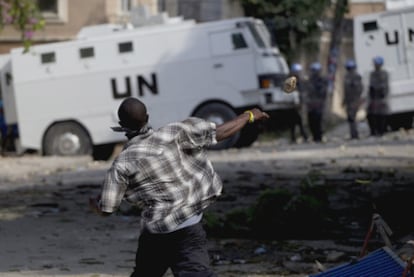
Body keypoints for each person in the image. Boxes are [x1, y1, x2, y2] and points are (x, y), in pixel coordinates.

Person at [89, 97, 269, 277]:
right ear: (147, 117)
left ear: (121, 125)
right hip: (189, 223)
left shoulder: (122, 163)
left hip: (157, 232)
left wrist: (96, 205)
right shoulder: (175, 132)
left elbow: (107, 208)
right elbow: (220, 132)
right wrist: (249, 115)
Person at [367, 56, 389, 136]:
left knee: (381, 115)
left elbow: (384, 87)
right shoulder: (373, 74)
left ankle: (381, 131)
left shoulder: (383, 74)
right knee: (373, 115)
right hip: (375, 98)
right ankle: (376, 131)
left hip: (380, 98)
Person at [306, 62, 328, 142]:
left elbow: (323, 93)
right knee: (311, 121)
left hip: (318, 104)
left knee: (319, 121)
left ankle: (319, 137)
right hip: (311, 104)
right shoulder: (309, 80)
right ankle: (314, 137)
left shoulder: (322, 81)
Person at [343, 59, 363, 139]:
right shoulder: (348, 77)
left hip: (353, 100)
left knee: (352, 117)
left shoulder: (355, 77)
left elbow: (359, 89)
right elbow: (346, 91)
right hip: (350, 101)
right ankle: (353, 134)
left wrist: (356, 100)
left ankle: (355, 134)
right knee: (351, 118)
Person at [288, 63, 308, 143]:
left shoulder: (300, 81)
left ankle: (303, 137)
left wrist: (301, 103)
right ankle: (295, 138)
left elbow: (303, 93)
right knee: (293, 122)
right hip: (292, 105)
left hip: (299, 105)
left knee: (300, 122)